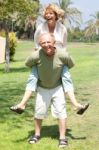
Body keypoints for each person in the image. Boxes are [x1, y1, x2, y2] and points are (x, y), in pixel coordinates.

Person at [10, 4, 89, 115]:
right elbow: (36, 44)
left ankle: (76, 105)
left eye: (51, 13)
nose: (48, 15)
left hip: (59, 58)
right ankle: (22, 104)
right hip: (42, 57)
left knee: (67, 78)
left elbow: (64, 46)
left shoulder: (62, 29)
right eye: (46, 14)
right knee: (32, 77)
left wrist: (62, 58)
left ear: (56, 15)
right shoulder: (40, 28)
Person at [27, 33, 74, 147]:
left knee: (61, 111)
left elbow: (71, 64)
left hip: (57, 88)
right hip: (42, 88)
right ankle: (37, 134)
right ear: (39, 44)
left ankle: (62, 137)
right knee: (39, 112)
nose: (46, 44)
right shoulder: (35, 55)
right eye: (43, 42)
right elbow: (28, 63)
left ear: (54, 43)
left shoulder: (63, 54)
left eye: (49, 42)